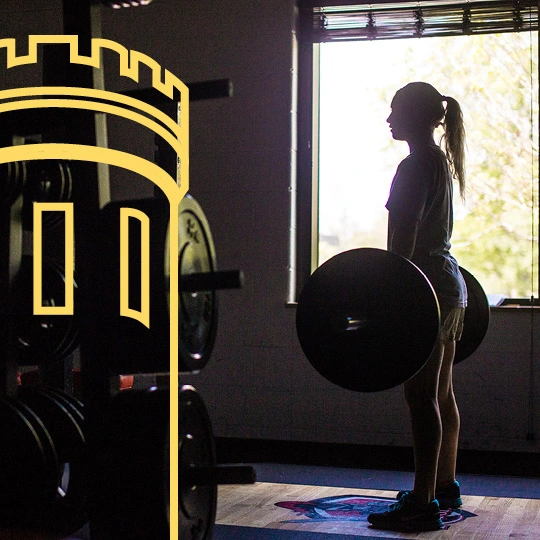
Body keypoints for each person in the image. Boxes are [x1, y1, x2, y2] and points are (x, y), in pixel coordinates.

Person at [367, 82, 468, 532]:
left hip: (426, 288)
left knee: (418, 395)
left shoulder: (413, 166)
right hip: (450, 286)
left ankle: (422, 504)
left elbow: (401, 246)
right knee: (441, 392)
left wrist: (391, 298)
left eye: (396, 110)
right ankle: (443, 485)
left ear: (420, 117)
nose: (389, 118)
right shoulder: (438, 162)